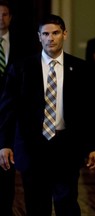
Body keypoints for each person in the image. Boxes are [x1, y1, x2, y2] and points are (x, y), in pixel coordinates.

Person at [0, 14, 95, 216]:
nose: (50, 38)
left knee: (67, 203)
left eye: (55, 33)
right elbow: (7, 110)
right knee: (36, 205)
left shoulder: (81, 68)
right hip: (31, 147)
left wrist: (93, 147)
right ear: (39, 37)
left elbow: (89, 112)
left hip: (66, 146)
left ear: (64, 34)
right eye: (45, 34)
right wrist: (4, 144)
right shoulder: (21, 68)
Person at [0, 0, 25, 215]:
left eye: (5, 14)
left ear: (10, 17)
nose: (1, 18)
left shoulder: (22, 43)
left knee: (7, 167)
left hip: (13, 114)